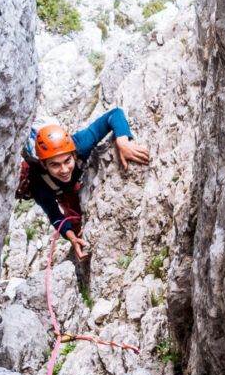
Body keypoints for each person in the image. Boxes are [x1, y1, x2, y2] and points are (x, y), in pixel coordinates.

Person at [20, 108, 149, 262]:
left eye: (67, 161)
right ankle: (77, 234)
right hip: (55, 190)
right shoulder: (38, 184)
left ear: (73, 153)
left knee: (75, 201)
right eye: (55, 165)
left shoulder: (80, 144)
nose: (64, 169)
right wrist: (72, 238)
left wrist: (123, 140)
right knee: (72, 221)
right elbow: (54, 215)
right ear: (43, 164)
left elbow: (114, 114)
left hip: (70, 186)